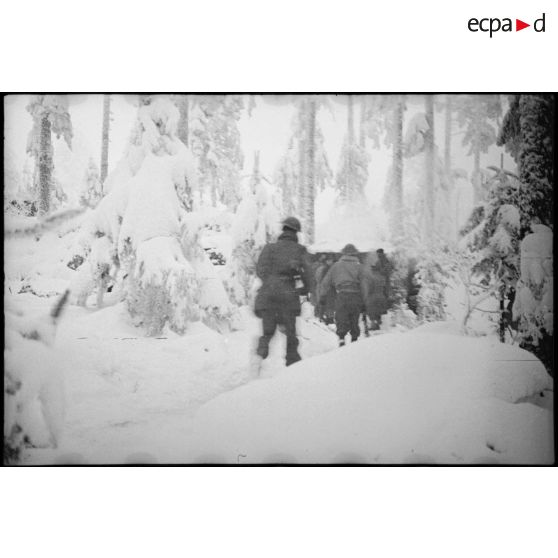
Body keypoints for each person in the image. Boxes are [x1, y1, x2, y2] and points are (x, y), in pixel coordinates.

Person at [254, 217, 311, 366]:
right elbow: (308, 274)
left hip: (268, 294)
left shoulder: (269, 248)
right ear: (296, 233)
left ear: (283, 230)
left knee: (268, 331)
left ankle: (259, 356)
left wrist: (270, 281)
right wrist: (305, 289)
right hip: (288, 295)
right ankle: (292, 365)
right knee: (290, 332)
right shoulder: (300, 250)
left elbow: (260, 269)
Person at [319, 244, 367, 346]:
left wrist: (322, 296)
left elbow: (325, 282)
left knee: (341, 317)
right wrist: (364, 300)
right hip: (356, 296)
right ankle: (354, 340)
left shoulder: (336, 266)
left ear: (343, 253)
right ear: (355, 254)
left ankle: (341, 339)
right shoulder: (360, 266)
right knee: (354, 319)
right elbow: (364, 285)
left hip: (341, 295)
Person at [363, 251, 389, 331]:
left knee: (372, 310)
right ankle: (378, 321)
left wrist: (365, 297)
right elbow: (385, 288)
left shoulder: (371, 278)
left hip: (373, 297)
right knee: (378, 309)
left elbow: (368, 289)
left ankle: (374, 324)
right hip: (381, 296)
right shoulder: (382, 277)